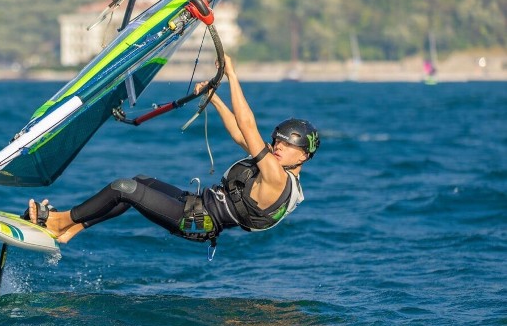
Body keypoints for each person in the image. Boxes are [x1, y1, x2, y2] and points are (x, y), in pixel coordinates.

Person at [23, 53, 320, 248]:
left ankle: (59, 222)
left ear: (303, 156)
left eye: (288, 145)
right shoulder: (275, 166)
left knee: (123, 188)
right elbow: (238, 131)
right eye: (277, 141)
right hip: (196, 204)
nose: (279, 146)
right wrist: (213, 98)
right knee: (140, 181)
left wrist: (232, 74)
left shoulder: (276, 177)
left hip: (196, 220)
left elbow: (248, 125)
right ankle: (74, 229)